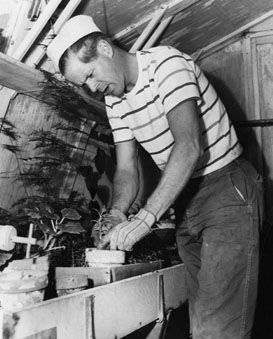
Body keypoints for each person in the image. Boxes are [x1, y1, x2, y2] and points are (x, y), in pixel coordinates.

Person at [47, 14, 264, 339]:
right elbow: (125, 168)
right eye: (84, 85)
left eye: (90, 74)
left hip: (226, 190)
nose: (93, 88)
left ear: (105, 48)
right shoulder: (114, 102)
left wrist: (146, 218)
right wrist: (118, 214)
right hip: (184, 198)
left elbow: (188, 146)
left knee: (218, 328)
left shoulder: (166, 64)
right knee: (200, 321)